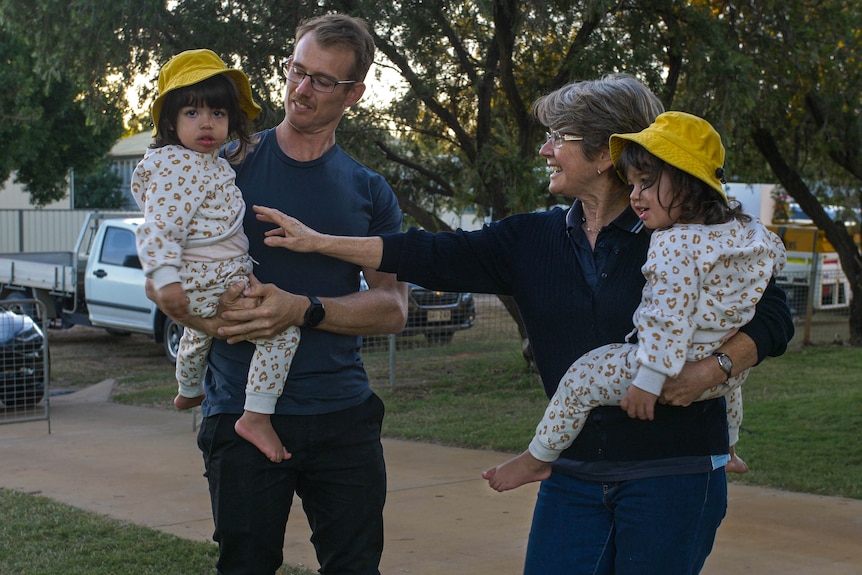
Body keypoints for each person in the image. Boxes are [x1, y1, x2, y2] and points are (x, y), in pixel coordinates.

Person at [251, 73, 794, 575]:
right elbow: (427, 254)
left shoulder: (682, 231)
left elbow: (773, 315)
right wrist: (320, 242)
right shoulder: (529, 240)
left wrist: (714, 369)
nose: (545, 149)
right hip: (572, 474)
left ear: (606, 153)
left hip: (673, 472)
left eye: (559, 135)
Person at [144, 15, 408, 575]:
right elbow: (163, 269)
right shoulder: (219, 164)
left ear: (355, 94)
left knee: (357, 566)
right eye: (296, 71)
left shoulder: (370, 191)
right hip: (237, 409)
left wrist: (303, 310)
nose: (301, 89)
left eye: (322, 81)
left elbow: (392, 309)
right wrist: (213, 321)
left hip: (342, 416)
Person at [483, 111, 786, 492]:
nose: (635, 196)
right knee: (731, 376)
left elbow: (665, 316)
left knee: (580, 377)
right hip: (725, 373)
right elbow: (773, 258)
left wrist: (647, 380)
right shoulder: (746, 230)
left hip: (668, 368)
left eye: (646, 183)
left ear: (690, 183)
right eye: (632, 184)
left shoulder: (672, 243)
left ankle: (536, 458)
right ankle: (729, 444)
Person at [131, 48, 301, 464]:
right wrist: (165, 278)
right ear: (170, 121)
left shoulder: (204, 162)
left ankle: (189, 390)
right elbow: (157, 227)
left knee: (198, 333)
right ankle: (256, 416)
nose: (207, 123)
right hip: (211, 278)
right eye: (192, 113)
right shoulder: (180, 166)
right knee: (283, 333)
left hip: (207, 281)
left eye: (218, 114)